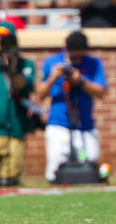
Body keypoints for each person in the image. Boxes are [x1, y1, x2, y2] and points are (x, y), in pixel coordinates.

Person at [37, 31, 108, 182]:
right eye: (73, 56)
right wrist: (52, 78)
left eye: (79, 56)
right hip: (59, 124)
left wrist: (81, 81)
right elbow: (40, 94)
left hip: (84, 125)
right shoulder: (52, 62)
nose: (77, 60)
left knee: (89, 160)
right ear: (66, 49)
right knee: (55, 167)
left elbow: (102, 92)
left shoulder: (93, 63)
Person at [0, 22, 36, 186]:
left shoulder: (25, 64)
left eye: (6, 39)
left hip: (15, 130)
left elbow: (22, 85)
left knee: (11, 181)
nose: (2, 43)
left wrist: (12, 66)